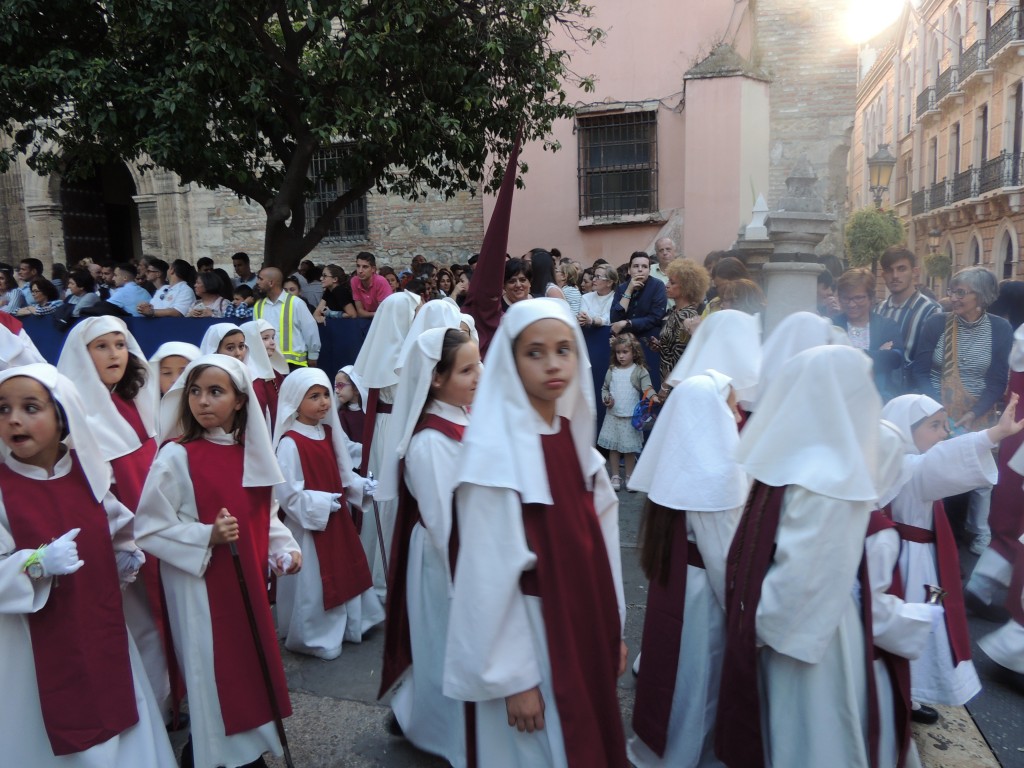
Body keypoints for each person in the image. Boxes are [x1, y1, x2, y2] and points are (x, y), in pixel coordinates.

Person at [444, 299, 628, 767]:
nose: (552, 364)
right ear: (511, 359)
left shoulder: (573, 439)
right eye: (535, 352)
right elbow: (486, 576)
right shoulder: (495, 454)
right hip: (532, 635)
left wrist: (613, 629)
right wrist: (513, 678)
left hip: (581, 620)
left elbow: (602, 547)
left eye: (564, 350)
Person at [0, 363, 177, 767]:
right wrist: (36, 564)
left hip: (99, 625)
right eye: (2, 408)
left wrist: (127, 552)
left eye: (30, 407)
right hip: (29, 642)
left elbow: (118, 527)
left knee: (114, 702)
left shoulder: (91, 475)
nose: (13, 419)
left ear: (63, 413)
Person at [716, 345, 882, 768]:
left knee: (806, 734)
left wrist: (754, 627)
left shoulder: (828, 474)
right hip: (794, 623)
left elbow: (805, 579)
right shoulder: (821, 467)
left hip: (806, 630)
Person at [135, 354, 301, 768]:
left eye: (215, 392)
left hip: (244, 582)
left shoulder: (252, 454)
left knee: (247, 668)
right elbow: (149, 528)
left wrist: (284, 550)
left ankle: (246, 746)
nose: (202, 401)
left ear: (241, 400)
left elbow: (265, 515)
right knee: (211, 671)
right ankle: (214, 755)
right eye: (194, 391)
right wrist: (205, 535)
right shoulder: (176, 456)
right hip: (198, 586)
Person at [56, 317, 177, 727]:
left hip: (157, 528)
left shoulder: (133, 401)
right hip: (123, 539)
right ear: (82, 355)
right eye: (102, 347)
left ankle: (174, 697)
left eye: (120, 345)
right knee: (139, 624)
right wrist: (127, 538)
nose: (114, 355)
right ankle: (155, 709)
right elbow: (90, 489)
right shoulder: (75, 416)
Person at [627, 372, 747, 768]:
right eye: (730, 406)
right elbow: (724, 562)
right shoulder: (715, 475)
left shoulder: (681, 459)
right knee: (698, 687)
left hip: (678, 589)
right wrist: (746, 618)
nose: (736, 414)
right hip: (704, 603)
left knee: (674, 679)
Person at [880, 394, 1023, 715]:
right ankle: (903, 690)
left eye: (944, 425)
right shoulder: (909, 467)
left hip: (913, 559)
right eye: (934, 425)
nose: (944, 433)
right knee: (913, 625)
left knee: (915, 625)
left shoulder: (894, 463)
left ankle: (906, 688)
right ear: (905, 429)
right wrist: (993, 435)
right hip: (909, 565)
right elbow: (941, 461)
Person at [377, 327, 480, 766]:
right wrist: (468, 580)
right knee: (444, 641)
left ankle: (417, 714)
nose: (480, 374)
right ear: (435, 378)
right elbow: (443, 522)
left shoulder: (464, 416)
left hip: (468, 550)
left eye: (479, 364)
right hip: (446, 560)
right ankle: (444, 732)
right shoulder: (429, 442)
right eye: (467, 369)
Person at [273, 368, 381, 660]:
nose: (323, 402)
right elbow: (288, 493)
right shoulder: (290, 442)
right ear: (295, 400)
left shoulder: (329, 432)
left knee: (347, 569)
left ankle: (353, 624)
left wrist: (362, 486)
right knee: (314, 583)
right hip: (310, 528)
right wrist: (320, 504)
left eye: (325, 395)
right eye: (314, 396)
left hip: (337, 521)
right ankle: (315, 635)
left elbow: (344, 473)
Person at [912, 266, 1013, 554]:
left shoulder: (999, 329)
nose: (953, 298)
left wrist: (976, 411)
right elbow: (919, 369)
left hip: (976, 410)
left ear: (980, 296)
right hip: (935, 409)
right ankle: (932, 529)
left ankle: (974, 532)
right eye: (952, 291)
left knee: (977, 476)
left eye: (960, 292)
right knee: (936, 470)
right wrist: (935, 410)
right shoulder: (936, 323)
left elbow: (996, 379)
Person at [350, 289, 421, 591]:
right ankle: (386, 569)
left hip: (386, 426)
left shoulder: (391, 352)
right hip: (393, 427)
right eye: (414, 313)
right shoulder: (401, 356)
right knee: (389, 496)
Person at [832, 267, 903, 401]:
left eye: (858, 298)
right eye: (846, 298)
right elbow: (830, 363)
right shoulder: (832, 325)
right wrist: (876, 353)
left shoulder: (887, 326)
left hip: (879, 400)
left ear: (871, 297)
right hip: (839, 399)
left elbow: (894, 359)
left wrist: (846, 354)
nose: (852, 304)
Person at [875, 247, 941, 391]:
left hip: (915, 393)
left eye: (901, 269)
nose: (895, 275)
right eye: (889, 270)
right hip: (880, 389)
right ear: (883, 275)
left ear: (915, 272)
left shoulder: (931, 311)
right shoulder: (878, 310)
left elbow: (935, 362)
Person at [598, 333, 654, 492]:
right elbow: (605, 388)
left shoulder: (639, 371)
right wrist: (606, 398)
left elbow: (647, 388)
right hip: (613, 416)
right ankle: (615, 475)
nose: (621, 356)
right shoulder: (612, 370)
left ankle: (630, 476)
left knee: (629, 449)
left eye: (625, 352)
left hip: (630, 418)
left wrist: (654, 397)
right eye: (618, 352)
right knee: (614, 448)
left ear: (634, 352)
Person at [653, 258, 710, 393]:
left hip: (675, 385)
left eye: (672, 283)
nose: (666, 285)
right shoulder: (674, 312)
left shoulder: (686, 316)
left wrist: (664, 387)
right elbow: (673, 347)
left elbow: (680, 356)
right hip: (669, 380)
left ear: (686, 287)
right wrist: (661, 346)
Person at [254, 267, 321, 369]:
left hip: (293, 365)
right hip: (268, 364)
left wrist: (313, 355)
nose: (257, 282)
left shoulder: (296, 303)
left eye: (260, 279)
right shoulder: (258, 305)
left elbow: (310, 330)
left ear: (271, 283)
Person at [241, 319, 290, 432]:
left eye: (273, 337)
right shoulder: (247, 376)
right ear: (252, 341)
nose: (272, 342)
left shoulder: (276, 376)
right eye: (265, 338)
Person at [610, 251, 667, 339]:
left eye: (644, 266)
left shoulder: (658, 286)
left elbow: (655, 318)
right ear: (629, 270)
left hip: (649, 339)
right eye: (636, 266)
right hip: (625, 340)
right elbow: (615, 319)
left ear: (649, 270)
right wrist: (629, 290)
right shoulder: (622, 288)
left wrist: (628, 323)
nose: (640, 269)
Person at [350, 252, 393, 317]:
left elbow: (384, 312)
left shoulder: (380, 281)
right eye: (358, 266)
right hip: (368, 318)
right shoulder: (354, 281)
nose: (360, 271)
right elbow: (360, 311)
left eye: (365, 267)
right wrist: (374, 314)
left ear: (373, 269)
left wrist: (370, 314)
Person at [578, 263, 617, 328]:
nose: (593, 280)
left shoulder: (616, 298)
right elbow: (582, 318)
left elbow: (608, 319)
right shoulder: (586, 297)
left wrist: (592, 321)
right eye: (594, 276)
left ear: (609, 282)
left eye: (598, 277)